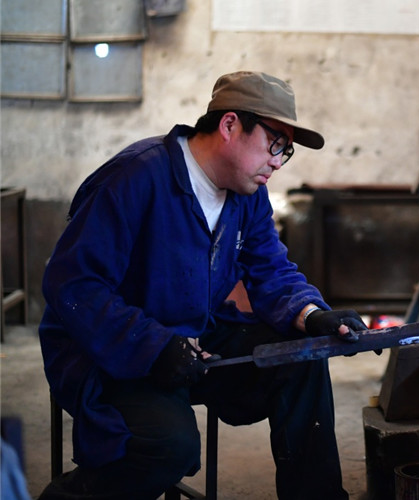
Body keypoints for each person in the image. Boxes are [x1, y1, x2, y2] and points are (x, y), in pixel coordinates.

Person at [38, 71, 372, 500]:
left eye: (285, 151)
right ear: (230, 125)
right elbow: (74, 284)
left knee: (301, 358)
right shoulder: (135, 177)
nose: (277, 161)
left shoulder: (248, 194)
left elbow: (270, 269)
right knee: (168, 445)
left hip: (196, 338)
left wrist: (312, 316)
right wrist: (155, 346)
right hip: (114, 351)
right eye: (274, 144)